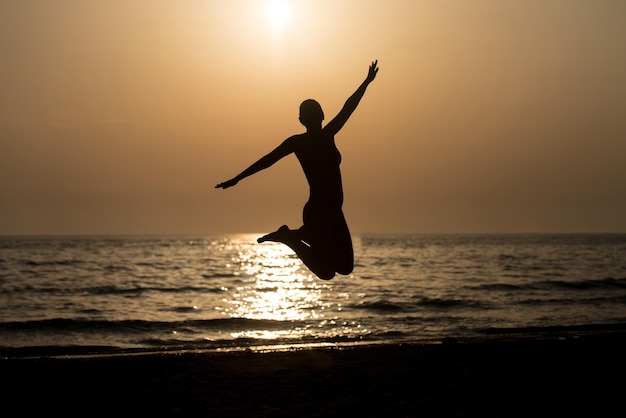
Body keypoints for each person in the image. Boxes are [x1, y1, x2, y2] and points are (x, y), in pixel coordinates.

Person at [216, 60, 379, 280]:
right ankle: (291, 239)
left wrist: (366, 82)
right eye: (309, 114)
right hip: (318, 212)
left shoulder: (327, 134)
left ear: (321, 115)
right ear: (304, 120)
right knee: (327, 272)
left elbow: (348, 107)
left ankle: (295, 235)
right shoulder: (300, 142)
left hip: (334, 212)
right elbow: (268, 160)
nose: (314, 117)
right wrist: (237, 178)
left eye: (315, 112)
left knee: (344, 267)